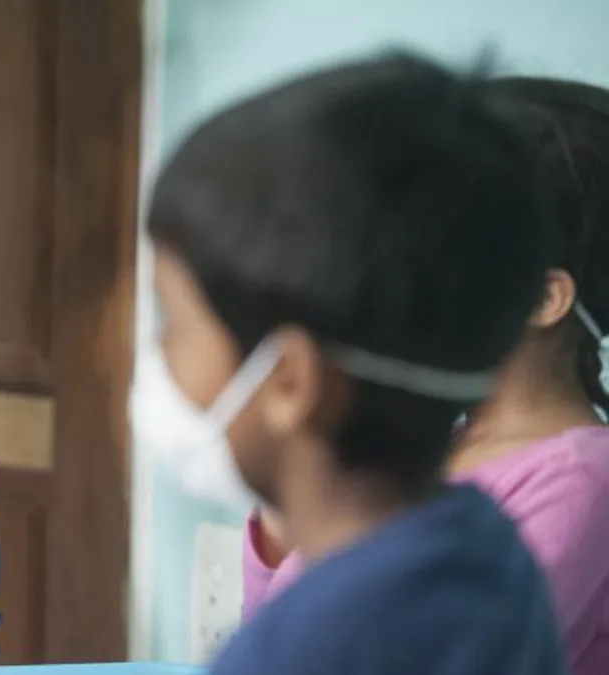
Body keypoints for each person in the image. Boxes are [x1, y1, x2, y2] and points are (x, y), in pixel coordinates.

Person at [131, 52, 566, 674]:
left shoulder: (309, 648)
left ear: (290, 382)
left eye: (175, 322)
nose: (157, 354)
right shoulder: (483, 548)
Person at [241, 76, 609, 675]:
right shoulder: (420, 446)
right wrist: (288, 498)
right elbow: (269, 639)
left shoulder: (584, 482)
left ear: (544, 299)